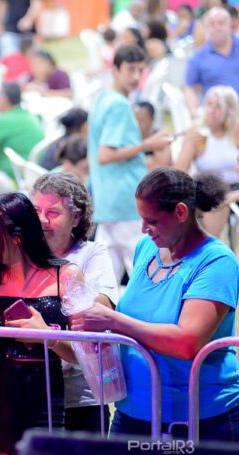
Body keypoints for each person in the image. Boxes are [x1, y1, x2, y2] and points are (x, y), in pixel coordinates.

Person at [71, 168, 239, 442]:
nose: (142, 228)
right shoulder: (146, 248)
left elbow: (187, 342)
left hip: (200, 420)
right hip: (133, 412)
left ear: (181, 212)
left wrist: (112, 320)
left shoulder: (217, 262)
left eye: (151, 220)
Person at [0, 192, 83, 455]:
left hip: (43, 406)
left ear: (17, 236)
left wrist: (47, 337)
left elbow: (82, 353)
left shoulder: (66, 275)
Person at [31, 172, 119, 433]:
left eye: (53, 212)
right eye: (36, 211)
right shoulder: (22, 253)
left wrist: (45, 326)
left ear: (76, 218)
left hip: (80, 396)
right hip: (30, 391)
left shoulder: (91, 253)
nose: (42, 220)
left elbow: (99, 309)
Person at [87, 45, 169, 284]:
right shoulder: (119, 105)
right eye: (130, 69)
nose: (136, 76)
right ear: (115, 69)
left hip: (107, 199)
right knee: (144, 276)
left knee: (104, 282)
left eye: (140, 70)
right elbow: (105, 154)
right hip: (125, 199)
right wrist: (147, 144)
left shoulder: (102, 98)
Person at [175, 85, 239, 236]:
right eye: (209, 104)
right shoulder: (199, 135)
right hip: (206, 189)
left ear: (229, 111)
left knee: (215, 205)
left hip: (234, 189)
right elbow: (178, 173)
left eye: (218, 106)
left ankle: (210, 246)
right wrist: (187, 144)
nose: (211, 110)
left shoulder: (236, 133)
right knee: (205, 202)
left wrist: (232, 196)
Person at [185, 7, 239, 118]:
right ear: (206, 29)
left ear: (230, 25)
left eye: (221, 23)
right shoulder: (198, 57)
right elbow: (189, 88)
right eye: (212, 24)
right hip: (217, 114)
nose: (216, 28)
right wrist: (194, 112)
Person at [0, 81, 44, 184]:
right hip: (34, 174)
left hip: (13, 177)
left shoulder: (4, 120)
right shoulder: (31, 116)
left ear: (4, 99)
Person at [134, 101, 172, 170]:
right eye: (134, 121)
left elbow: (163, 167)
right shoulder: (129, 137)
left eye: (142, 121)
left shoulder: (160, 138)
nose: (137, 125)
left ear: (152, 120)